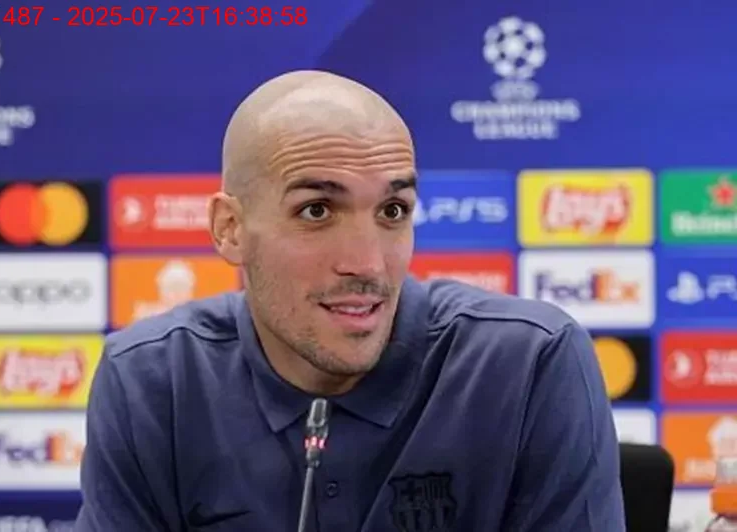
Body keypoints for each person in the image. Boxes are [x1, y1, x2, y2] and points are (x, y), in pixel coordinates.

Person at [74, 70, 626, 531]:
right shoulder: (152, 381)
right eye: (316, 211)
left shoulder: (529, 363)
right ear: (230, 229)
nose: (368, 264)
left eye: (392, 212)